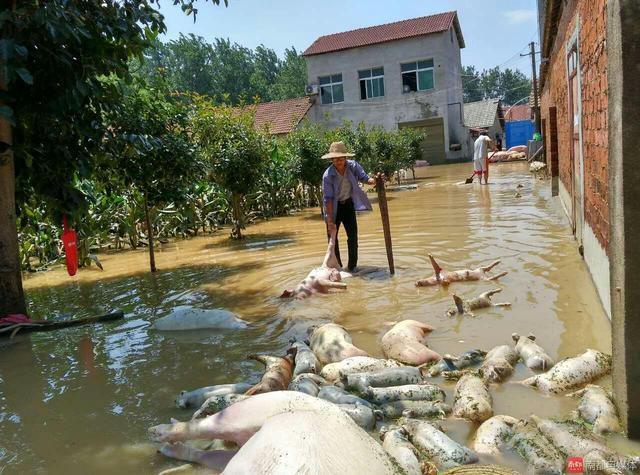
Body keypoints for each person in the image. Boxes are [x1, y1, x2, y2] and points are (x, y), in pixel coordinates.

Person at [321, 141, 377, 272]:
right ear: (332, 160)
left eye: (340, 159)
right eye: (335, 160)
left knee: (352, 237)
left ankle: (352, 267)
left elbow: (364, 178)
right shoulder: (328, 175)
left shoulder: (353, 166)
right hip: (333, 209)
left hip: (348, 205)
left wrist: (373, 181)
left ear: (345, 158)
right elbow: (328, 199)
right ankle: (338, 268)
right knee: (332, 239)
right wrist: (330, 221)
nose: (338, 162)